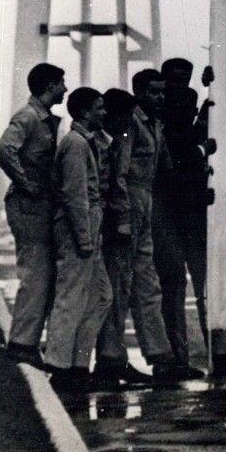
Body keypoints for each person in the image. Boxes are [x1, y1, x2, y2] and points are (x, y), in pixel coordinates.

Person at [0, 61, 66, 368]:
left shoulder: (45, 119)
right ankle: (22, 344)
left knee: (41, 274)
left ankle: (27, 341)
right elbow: (4, 149)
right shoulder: (28, 117)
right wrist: (27, 184)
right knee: (35, 273)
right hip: (28, 207)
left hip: (39, 206)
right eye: (61, 83)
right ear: (50, 86)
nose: (65, 88)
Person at [43, 87, 113, 388]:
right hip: (77, 228)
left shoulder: (85, 142)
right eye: (99, 108)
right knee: (71, 296)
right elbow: (75, 196)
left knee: (100, 296)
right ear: (85, 112)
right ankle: (60, 367)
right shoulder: (75, 144)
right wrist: (84, 239)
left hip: (87, 227)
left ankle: (78, 363)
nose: (104, 113)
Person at [120, 69, 181, 383]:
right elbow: (120, 169)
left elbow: (166, 168)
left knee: (147, 281)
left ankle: (160, 355)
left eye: (162, 92)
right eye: (154, 92)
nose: (161, 97)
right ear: (140, 92)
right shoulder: (131, 123)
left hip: (146, 202)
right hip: (128, 200)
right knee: (122, 283)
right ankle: (112, 358)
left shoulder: (157, 125)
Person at [92, 89, 153, 388]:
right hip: (116, 221)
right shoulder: (111, 141)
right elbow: (117, 181)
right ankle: (109, 359)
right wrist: (124, 221)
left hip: (115, 218)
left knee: (119, 290)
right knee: (115, 290)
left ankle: (112, 357)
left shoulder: (110, 139)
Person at [153, 58, 208, 378]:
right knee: (177, 285)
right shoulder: (161, 130)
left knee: (188, 285)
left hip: (185, 214)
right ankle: (179, 357)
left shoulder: (179, 128)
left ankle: (185, 355)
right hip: (173, 215)